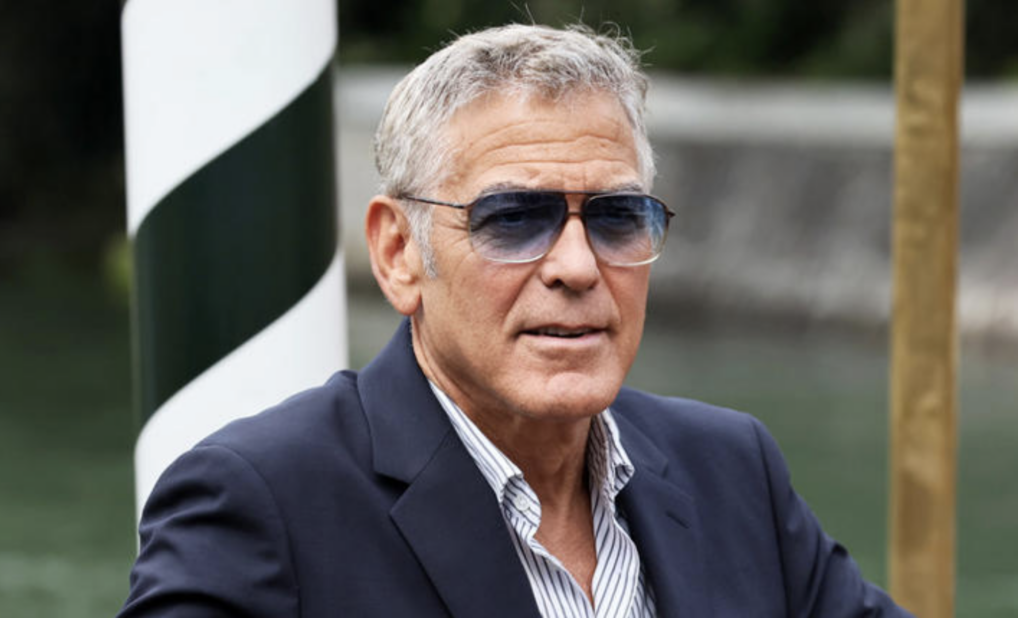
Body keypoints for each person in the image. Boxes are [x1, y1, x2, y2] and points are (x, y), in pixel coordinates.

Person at [118, 24, 912, 617]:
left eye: (616, 217)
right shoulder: (263, 500)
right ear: (399, 253)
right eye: (513, 219)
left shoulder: (731, 470)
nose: (577, 266)